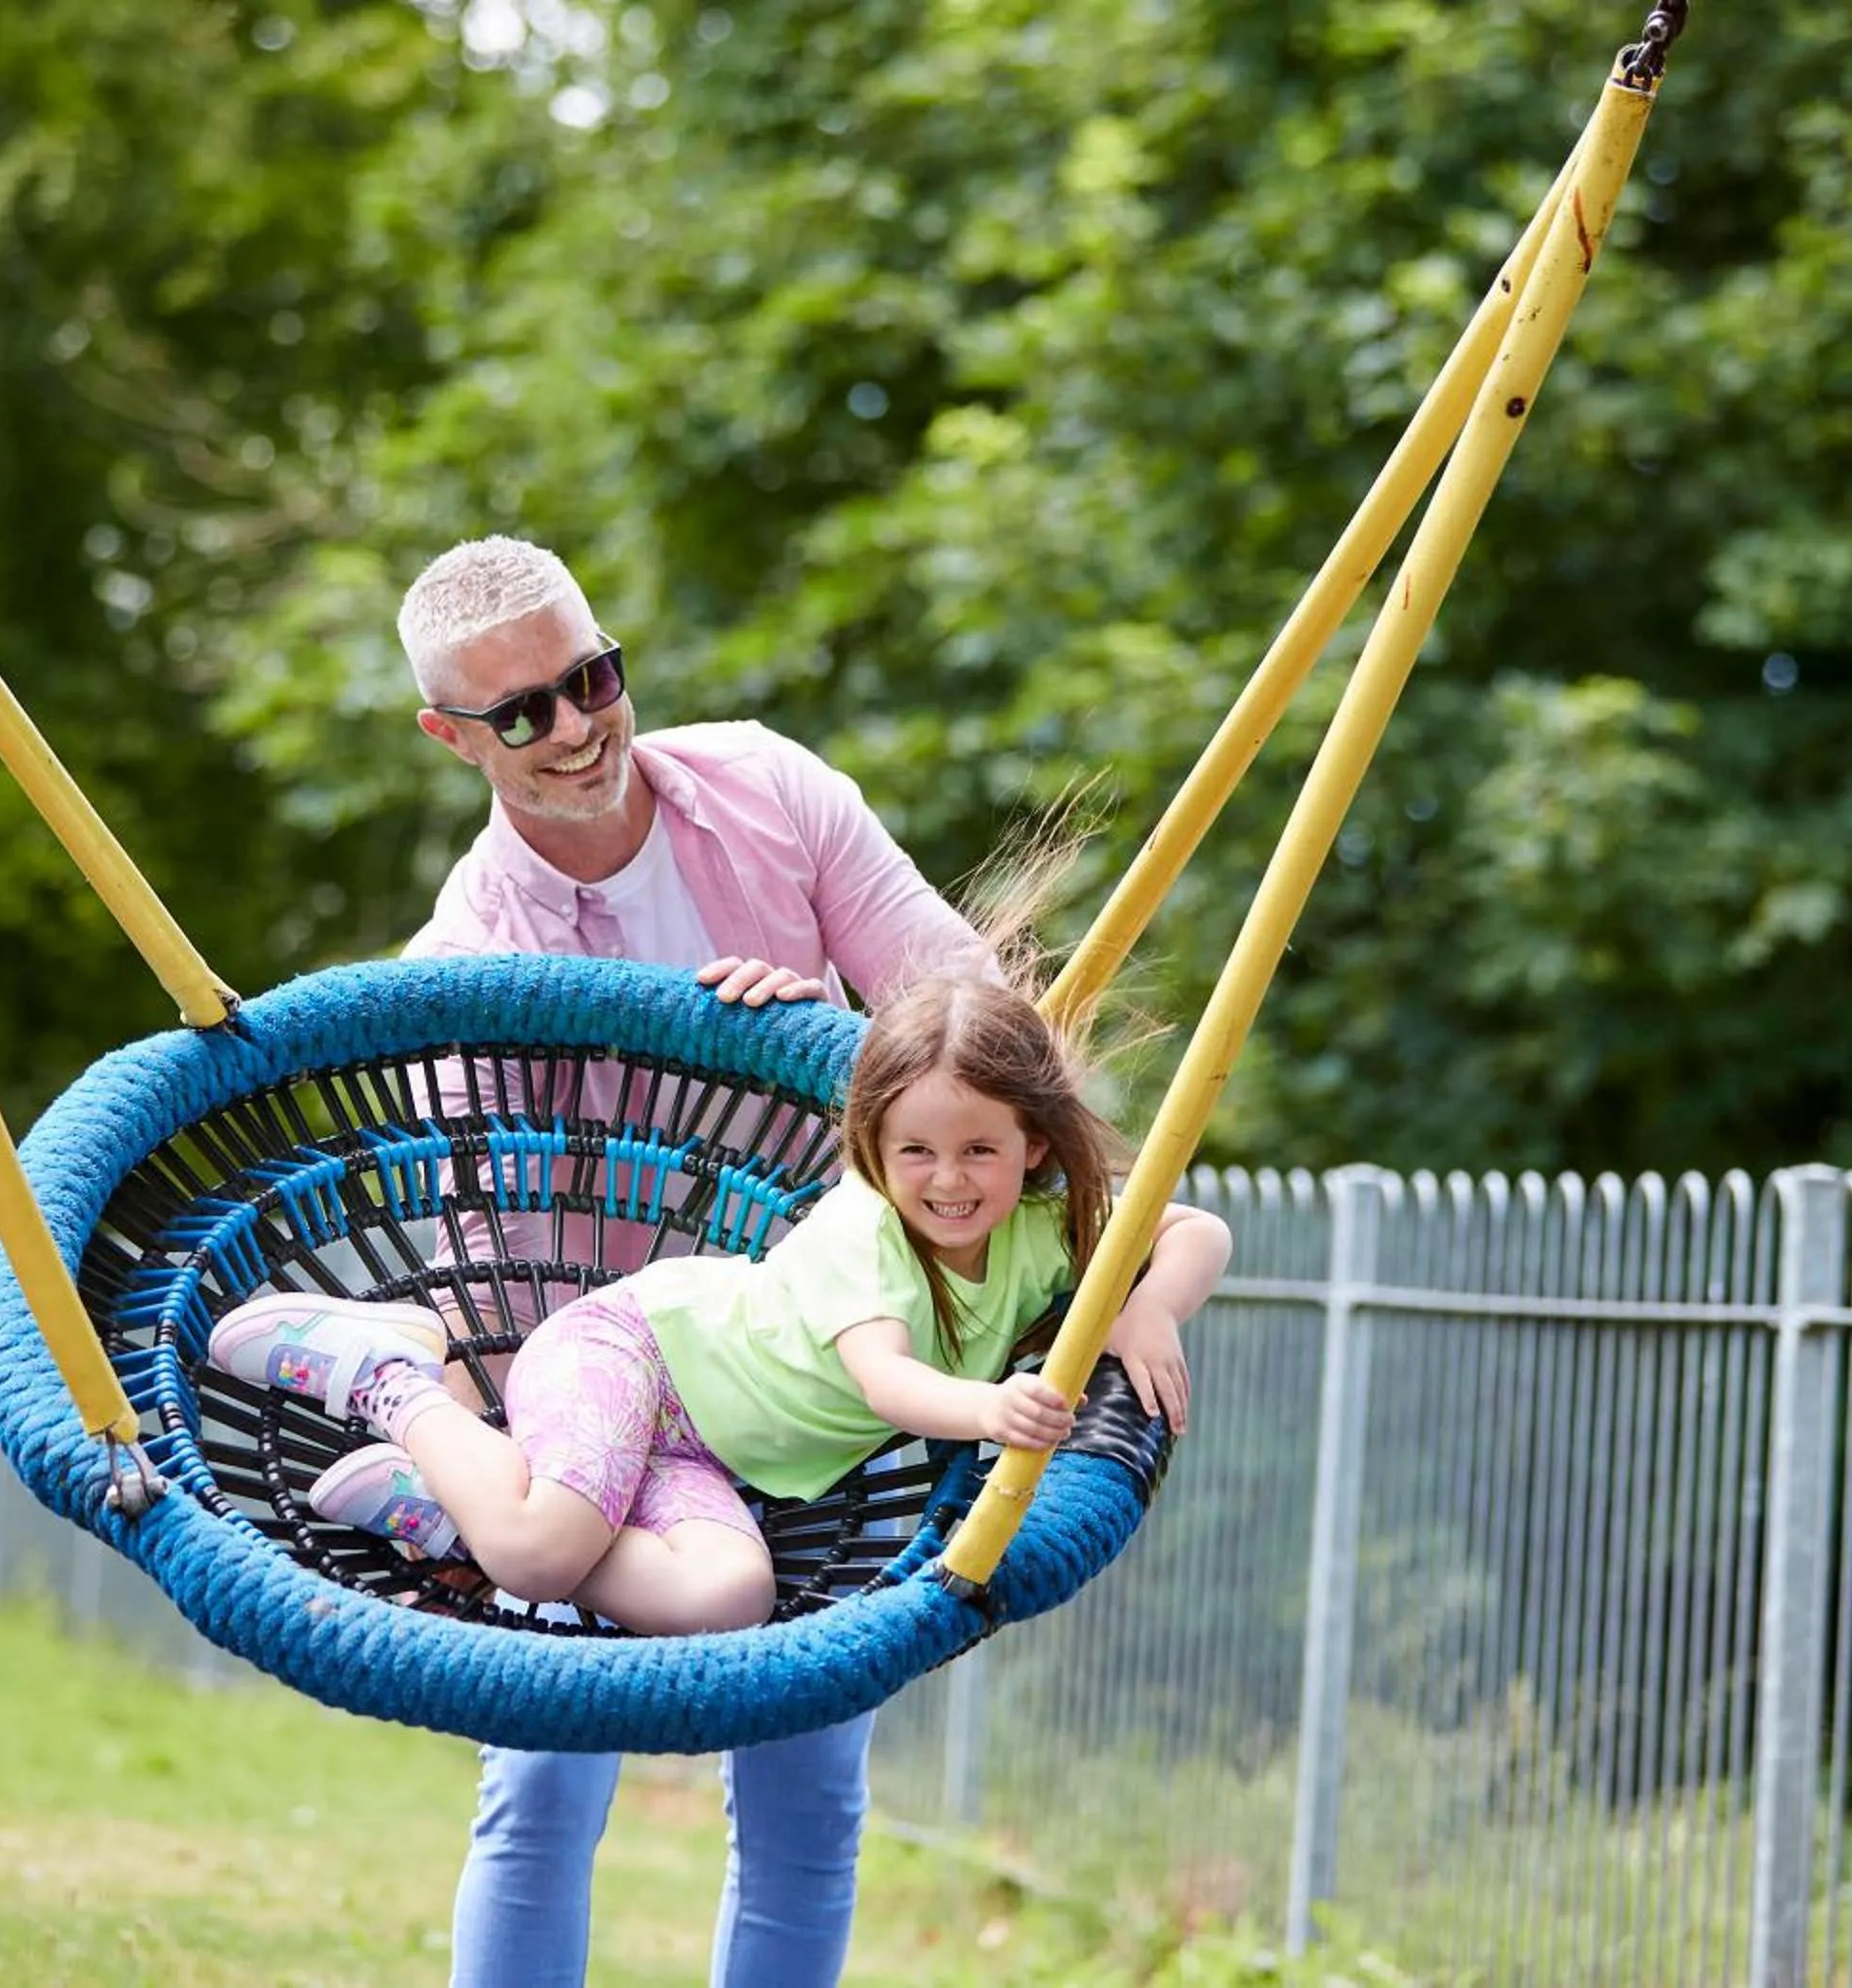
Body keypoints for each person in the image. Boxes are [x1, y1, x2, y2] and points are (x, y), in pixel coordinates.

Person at [287, 533, 969, 1985]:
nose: (578, 727)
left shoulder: (772, 794)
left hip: (815, 1350)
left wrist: (834, 1043)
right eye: (520, 712)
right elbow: (484, 1248)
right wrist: (490, 1426)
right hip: (605, 1370)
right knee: (540, 1780)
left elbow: (968, 1022)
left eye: (591, 676)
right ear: (448, 739)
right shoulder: (459, 965)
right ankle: (404, 1435)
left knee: (807, 1788)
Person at [209, 968, 1229, 1634]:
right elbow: (889, 1378)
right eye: (914, 1150)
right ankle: (396, 1380)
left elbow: (1195, 1230)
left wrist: (1149, 1309)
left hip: (699, 1453)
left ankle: (455, 1505)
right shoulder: (860, 1230)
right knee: (541, 1553)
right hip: (636, 1354)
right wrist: (994, 1409)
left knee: (729, 1599)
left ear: (1033, 1147)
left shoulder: (1041, 1229)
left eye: (979, 1152)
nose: (947, 1180)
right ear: (874, 1148)